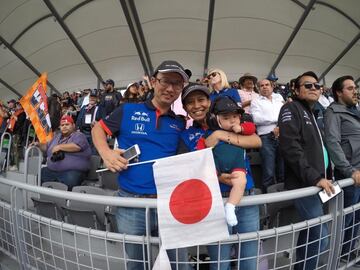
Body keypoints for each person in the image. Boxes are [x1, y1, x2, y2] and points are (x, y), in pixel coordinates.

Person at [91, 60, 191, 270]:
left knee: (178, 264)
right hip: (131, 204)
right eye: (166, 81)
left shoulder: (180, 123)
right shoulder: (126, 110)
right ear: (154, 82)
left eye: (177, 84)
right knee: (137, 264)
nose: (170, 88)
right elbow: (97, 129)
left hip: (168, 204)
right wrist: (106, 153)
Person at [179, 83, 261, 270]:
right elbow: (190, 168)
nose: (196, 105)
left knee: (249, 259)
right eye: (190, 102)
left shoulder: (231, 120)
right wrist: (217, 177)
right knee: (220, 262)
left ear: (209, 102)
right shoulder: (186, 135)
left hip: (245, 195)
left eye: (201, 99)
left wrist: (220, 135)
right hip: (213, 200)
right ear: (185, 109)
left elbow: (256, 141)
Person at [278, 71, 335, 270]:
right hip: (307, 184)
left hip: (320, 184)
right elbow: (290, 147)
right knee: (321, 238)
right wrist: (315, 177)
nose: (314, 88)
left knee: (310, 234)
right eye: (308, 85)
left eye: (317, 86)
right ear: (295, 89)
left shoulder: (314, 113)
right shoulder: (291, 108)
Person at [323, 75, 360, 262]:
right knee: (346, 217)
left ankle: (349, 251)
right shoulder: (333, 113)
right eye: (351, 88)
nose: (356, 91)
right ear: (338, 92)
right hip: (350, 174)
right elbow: (333, 143)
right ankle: (338, 256)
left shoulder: (355, 111)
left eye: (355, 88)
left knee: (357, 217)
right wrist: (350, 171)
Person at [37, 115, 91, 190]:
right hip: (52, 171)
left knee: (70, 179)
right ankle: (46, 198)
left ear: (73, 125)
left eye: (67, 124)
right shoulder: (56, 137)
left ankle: (66, 201)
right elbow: (47, 147)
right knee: (42, 173)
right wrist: (38, 145)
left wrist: (59, 147)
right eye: (62, 125)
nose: (64, 127)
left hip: (72, 171)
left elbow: (77, 146)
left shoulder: (79, 135)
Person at [250, 79, 284, 192]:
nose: (264, 87)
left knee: (283, 169)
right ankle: (267, 202)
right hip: (266, 137)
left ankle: (284, 198)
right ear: (258, 88)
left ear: (272, 86)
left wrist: (279, 125)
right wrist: (276, 120)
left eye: (267, 85)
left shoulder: (279, 98)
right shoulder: (255, 101)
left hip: (282, 134)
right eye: (261, 85)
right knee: (268, 170)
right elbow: (257, 119)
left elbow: (285, 115)